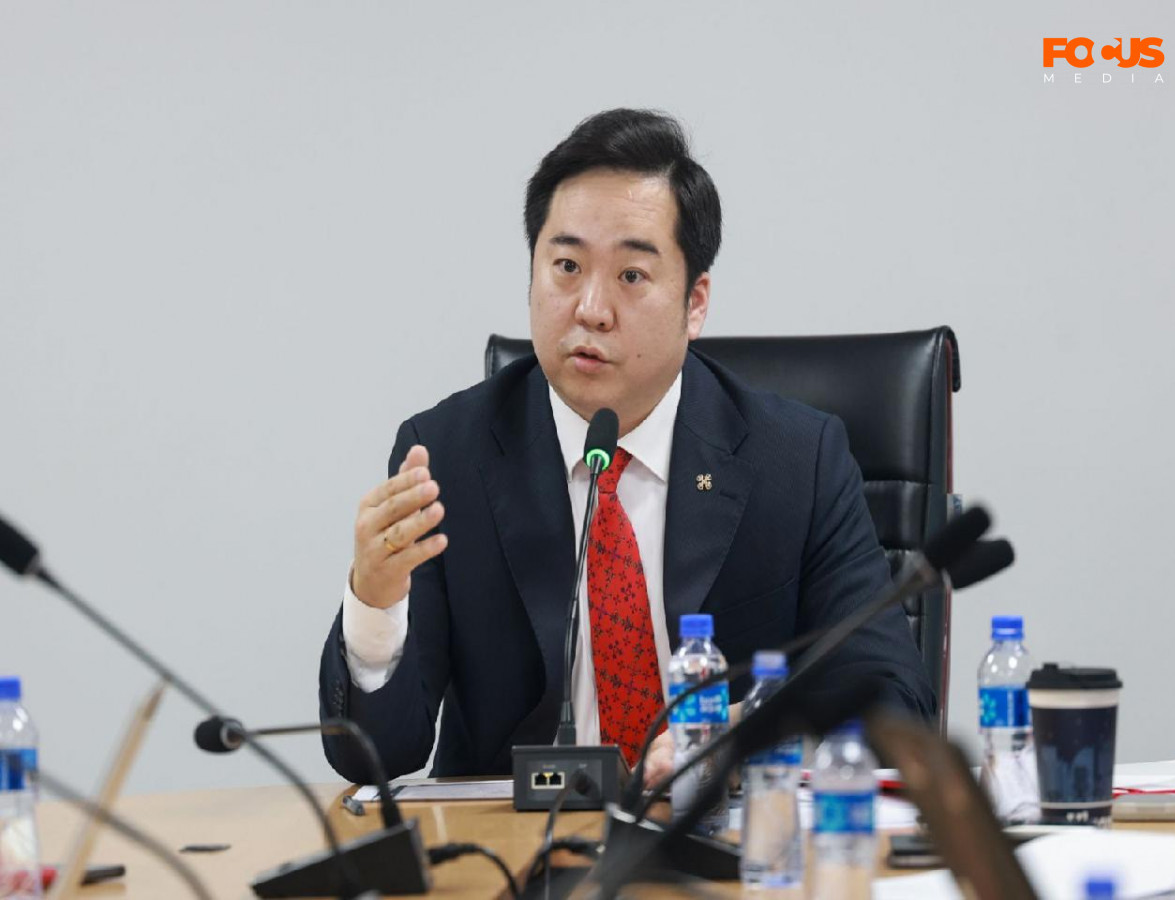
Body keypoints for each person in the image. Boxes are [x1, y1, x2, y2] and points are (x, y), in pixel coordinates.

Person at [318, 108, 935, 787]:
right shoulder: (448, 455)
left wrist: (748, 733)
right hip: (514, 841)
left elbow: (893, 698)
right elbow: (377, 756)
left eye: (631, 276)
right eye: (566, 266)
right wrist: (376, 604)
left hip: (722, 832)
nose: (591, 308)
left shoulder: (796, 460)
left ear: (695, 303)